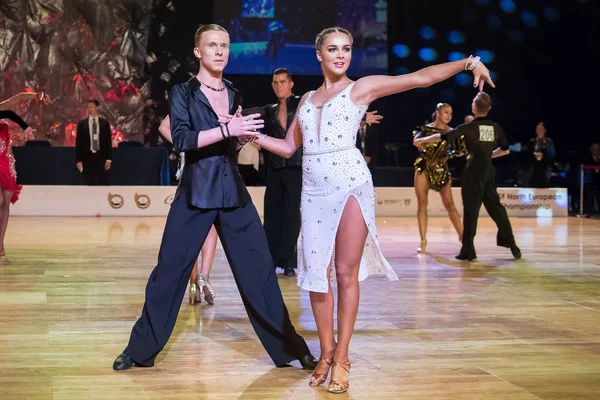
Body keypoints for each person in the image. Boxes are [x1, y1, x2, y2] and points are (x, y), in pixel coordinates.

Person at [254, 27, 494, 393]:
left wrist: (469, 62)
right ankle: (325, 352)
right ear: (319, 55)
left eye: (346, 49)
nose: (340, 55)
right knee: (318, 273)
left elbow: (417, 79)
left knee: (344, 271)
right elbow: (288, 148)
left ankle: (343, 356)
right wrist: (251, 136)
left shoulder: (360, 88)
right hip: (315, 190)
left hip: (351, 183)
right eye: (332, 49)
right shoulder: (304, 100)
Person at [112, 24, 316, 372]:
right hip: (196, 192)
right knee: (169, 273)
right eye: (212, 45)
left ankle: (291, 349)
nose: (219, 51)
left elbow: (230, 142)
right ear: (198, 52)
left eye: (225, 45)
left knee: (260, 273)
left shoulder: (234, 93)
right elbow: (180, 138)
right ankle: (139, 350)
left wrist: (241, 134)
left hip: (232, 193)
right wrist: (226, 130)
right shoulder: (184, 93)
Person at [416, 92, 521, 261]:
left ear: (474, 107)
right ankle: (513, 245)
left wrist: (423, 140)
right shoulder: (496, 127)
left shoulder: (468, 128)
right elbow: (506, 149)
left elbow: (443, 137)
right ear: (489, 108)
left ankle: (468, 251)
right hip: (488, 171)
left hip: (473, 172)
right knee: (497, 209)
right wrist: (488, 156)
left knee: (471, 211)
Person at [159, 115, 218, 305]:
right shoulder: (215, 97)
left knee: (191, 226)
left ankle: (194, 284)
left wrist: (183, 142)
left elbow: (163, 127)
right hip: (210, 166)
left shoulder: (185, 97)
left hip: (191, 168)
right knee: (210, 225)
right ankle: (203, 277)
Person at [262, 68, 303, 277]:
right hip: (275, 168)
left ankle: (288, 260)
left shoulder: (302, 104)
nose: (279, 86)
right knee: (272, 214)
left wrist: (361, 117)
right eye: (275, 82)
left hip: (296, 167)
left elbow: (326, 110)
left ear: (291, 83)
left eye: (283, 82)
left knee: (292, 215)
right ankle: (270, 258)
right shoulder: (269, 110)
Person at [412, 102, 463, 253]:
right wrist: (428, 140)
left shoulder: (452, 132)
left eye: (451, 113)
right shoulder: (426, 129)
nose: (449, 116)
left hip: (441, 170)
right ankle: (423, 240)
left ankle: (462, 237)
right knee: (422, 204)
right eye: (446, 112)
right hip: (424, 168)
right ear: (438, 113)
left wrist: (449, 154)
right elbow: (416, 141)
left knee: (449, 204)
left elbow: (460, 150)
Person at [0, 110, 32, 256]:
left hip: (6, 164)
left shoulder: (3, 122)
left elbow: (10, 113)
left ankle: (1, 243)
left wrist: (26, 128)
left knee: (5, 202)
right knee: (0, 200)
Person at [75, 99, 112, 185]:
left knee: (103, 183)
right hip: (87, 157)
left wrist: (109, 159)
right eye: (88, 107)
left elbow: (108, 142)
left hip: (101, 157)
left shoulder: (104, 123)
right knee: (88, 183)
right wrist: (78, 160)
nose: (89, 109)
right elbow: (78, 143)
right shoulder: (82, 124)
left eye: (91, 107)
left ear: (97, 108)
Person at [529, 121, 555, 188]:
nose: (539, 130)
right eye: (537, 129)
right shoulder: (532, 141)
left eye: (541, 129)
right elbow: (528, 154)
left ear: (544, 130)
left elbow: (552, 154)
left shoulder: (549, 141)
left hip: (545, 168)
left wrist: (543, 155)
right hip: (534, 168)